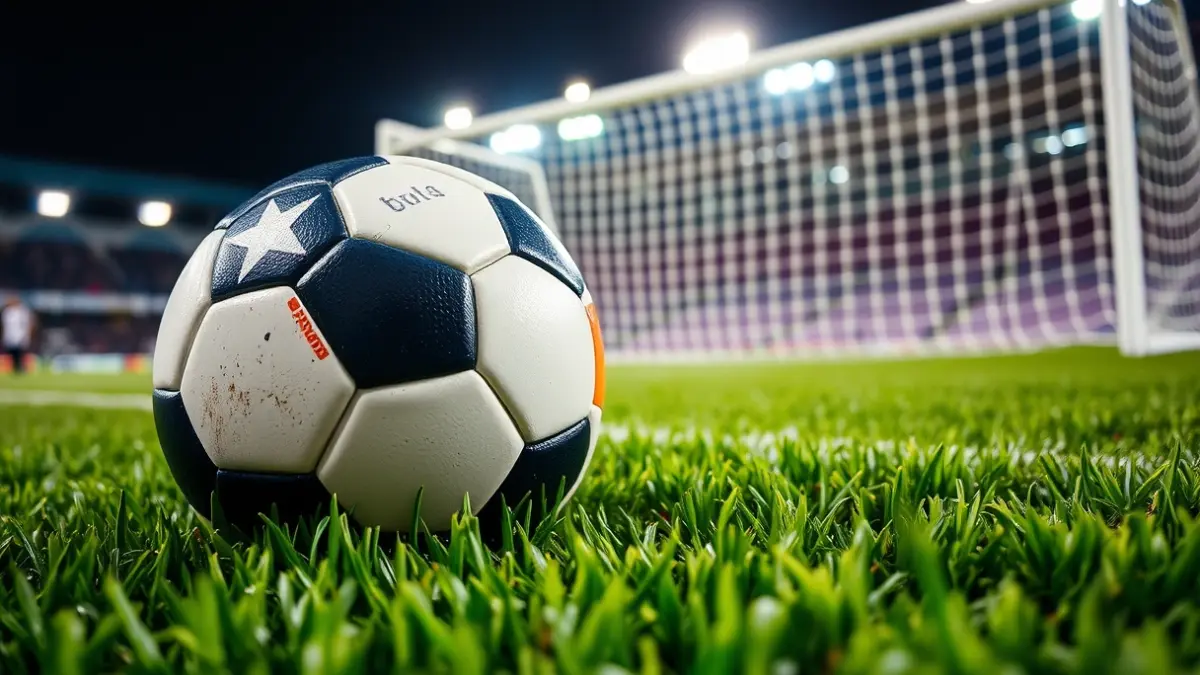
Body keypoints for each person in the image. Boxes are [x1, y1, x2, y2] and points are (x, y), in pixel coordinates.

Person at [2, 296, 36, 374]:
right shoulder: (7, 312)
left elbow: (29, 323)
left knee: (21, 352)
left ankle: (22, 368)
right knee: (12, 352)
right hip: (10, 335)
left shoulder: (23, 311)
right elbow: (5, 325)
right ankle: (15, 367)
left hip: (21, 334)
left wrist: (28, 333)